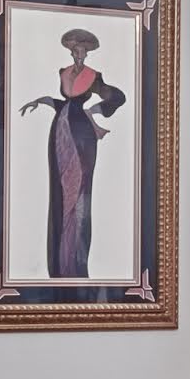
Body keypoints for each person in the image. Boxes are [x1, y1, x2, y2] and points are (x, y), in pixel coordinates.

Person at [25, 27, 124, 277]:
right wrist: (43, 100)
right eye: (75, 49)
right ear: (70, 51)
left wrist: (95, 111)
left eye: (83, 50)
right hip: (59, 132)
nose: (79, 54)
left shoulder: (94, 76)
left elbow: (118, 98)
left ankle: (77, 264)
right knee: (59, 192)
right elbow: (64, 103)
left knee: (80, 192)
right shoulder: (63, 73)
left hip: (82, 135)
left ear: (87, 53)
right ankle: (59, 265)